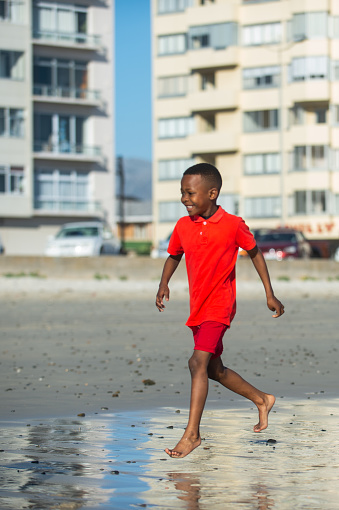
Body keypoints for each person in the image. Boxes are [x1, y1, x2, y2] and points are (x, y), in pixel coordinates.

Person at [155, 163, 285, 459]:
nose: (185, 198)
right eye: (182, 193)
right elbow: (173, 256)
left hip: (219, 307)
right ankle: (262, 399)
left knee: (196, 363)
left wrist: (269, 293)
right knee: (214, 369)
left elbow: (255, 254)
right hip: (197, 309)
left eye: (190, 193)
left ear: (212, 193)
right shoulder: (182, 225)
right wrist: (163, 283)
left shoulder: (232, 224)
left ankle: (192, 435)